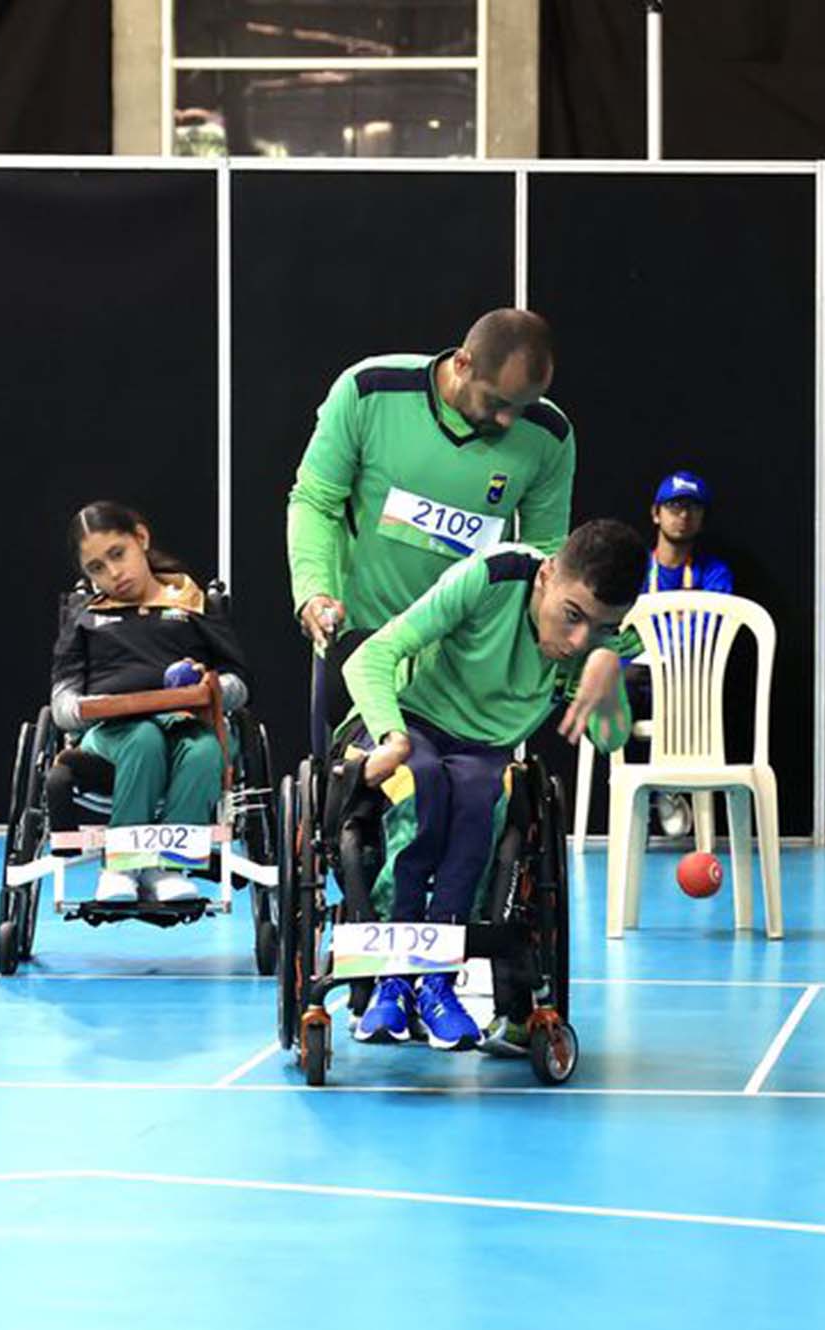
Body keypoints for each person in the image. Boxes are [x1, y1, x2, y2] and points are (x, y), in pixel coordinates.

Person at [341, 518, 649, 1051]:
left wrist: (610, 669)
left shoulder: (606, 640)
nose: (578, 641)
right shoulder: (492, 575)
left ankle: (437, 984)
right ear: (547, 576)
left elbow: (609, 738)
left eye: (599, 629)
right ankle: (392, 980)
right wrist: (391, 738)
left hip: (484, 752)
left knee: (483, 796)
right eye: (572, 617)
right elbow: (370, 655)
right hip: (407, 722)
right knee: (423, 782)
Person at [287, 307, 625, 747]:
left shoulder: (550, 435)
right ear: (462, 364)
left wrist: (599, 655)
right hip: (367, 636)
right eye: (498, 402)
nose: (509, 420)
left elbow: (548, 559)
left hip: (466, 662)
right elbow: (316, 501)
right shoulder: (369, 390)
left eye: (524, 407)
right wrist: (313, 590)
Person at [43, 502, 250, 906]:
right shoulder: (86, 616)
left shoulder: (192, 602)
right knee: (143, 739)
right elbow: (62, 700)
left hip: (189, 724)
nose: (113, 574)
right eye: (97, 568)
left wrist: (208, 687)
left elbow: (239, 684)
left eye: (118, 554)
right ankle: (121, 868)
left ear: (141, 538)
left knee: (207, 750)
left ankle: (166, 867)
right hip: (111, 735)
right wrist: (93, 707)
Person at [630, 468, 736, 837]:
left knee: (681, 679)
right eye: (675, 506)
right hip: (636, 676)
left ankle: (665, 788)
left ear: (702, 518)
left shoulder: (714, 572)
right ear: (656, 513)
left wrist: (665, 658)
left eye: (693, 508)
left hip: (684, 679)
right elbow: (619, 628)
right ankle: (629, 795)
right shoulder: (635, 568)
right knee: (613, 677)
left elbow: (708, 632)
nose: (683, 515)